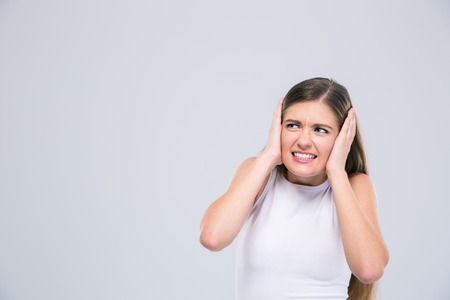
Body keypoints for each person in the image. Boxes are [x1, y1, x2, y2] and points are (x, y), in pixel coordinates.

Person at [199, 77, 389, 300]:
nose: (303, 141)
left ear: (343, 138)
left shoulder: (355, 186)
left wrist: (337, 171)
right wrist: (269, 155)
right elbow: (212, 237)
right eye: (293, 125)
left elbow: (370, 269)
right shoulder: (258, 174)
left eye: (320, 130)